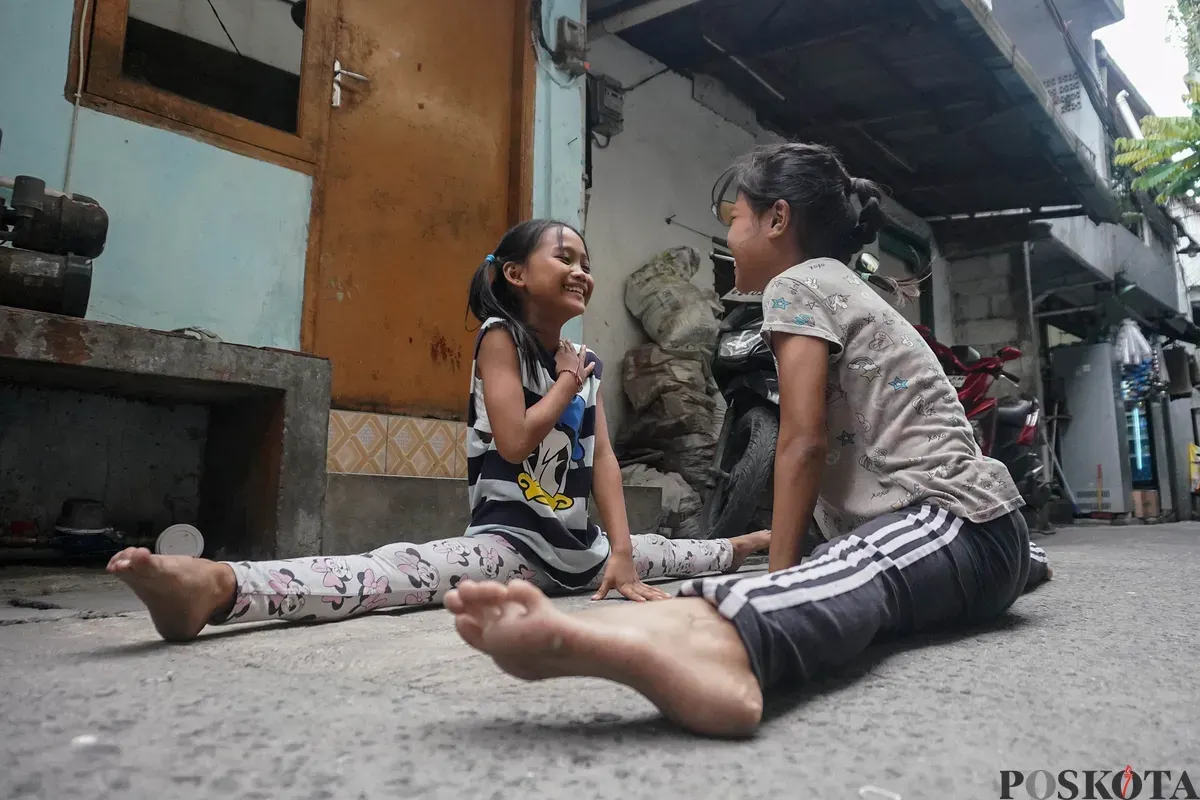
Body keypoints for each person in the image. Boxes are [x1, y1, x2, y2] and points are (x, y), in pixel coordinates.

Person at [443, 142, 1053, 737]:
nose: (729, 238)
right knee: (854, 570)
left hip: (957, 521)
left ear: (777, 219)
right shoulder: (836, 282)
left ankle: (689, 642)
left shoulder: (798, 286)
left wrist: (779, 580)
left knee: (852, 571)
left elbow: (802, 444)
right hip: (980, 543)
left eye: (734, 220)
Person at [107, 219, 770, 642]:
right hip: (508, 547)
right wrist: (566, 385)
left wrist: (620, 551)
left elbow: (601, 465)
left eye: (586, 260)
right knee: (394, 574)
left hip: (583, 554)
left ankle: (760, 540)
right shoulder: (500, 338)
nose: (582, 270)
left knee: (676, 552)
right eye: (564, 255)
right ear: (515, 274)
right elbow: (513, 441)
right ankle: (215, 587)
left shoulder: (586, 364)